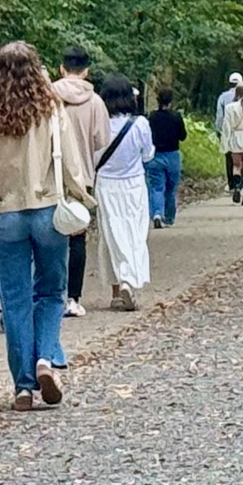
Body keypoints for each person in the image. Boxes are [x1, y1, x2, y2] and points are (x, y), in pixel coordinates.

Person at [0, 41, 94, 411]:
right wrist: (83, 200)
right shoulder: (51, 108)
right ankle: (45, 358)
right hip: (47, 209)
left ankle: (22, 386)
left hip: (6, 215)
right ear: (37, 69)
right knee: (51, 292)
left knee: (15, 301)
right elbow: (69, 161)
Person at [53, 47, 109, 321]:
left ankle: (52, 293)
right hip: (82, 176)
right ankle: (73, 298)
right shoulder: (96, 102)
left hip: (50, 175)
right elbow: (101, 140)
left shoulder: (48, 95)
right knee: (77, 236)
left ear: (62, 68)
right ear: (86, 71)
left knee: (50, 235)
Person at [94, 76, 154, 310]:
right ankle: (129, 279)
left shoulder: (98, 124)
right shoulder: (139, 124)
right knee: (135, 232)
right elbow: (148, 154)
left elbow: (92, 157)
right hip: (134, 183)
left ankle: (116, 289)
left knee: (110, 234)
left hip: (106, 184)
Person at [144, 88, 186, 229]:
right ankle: (169, 217)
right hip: (173, 155)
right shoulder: (176, 117)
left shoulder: (151, 117)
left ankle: (156, 213)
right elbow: (183, 136)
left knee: (156, 187)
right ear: (171, 101)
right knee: (171, 188)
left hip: (155, 155)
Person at [221, 81, 243, 205]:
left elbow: (226, 126)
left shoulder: (230, 107)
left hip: (235, 137)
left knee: (236, 166)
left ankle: (237, 186)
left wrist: (225, 142)